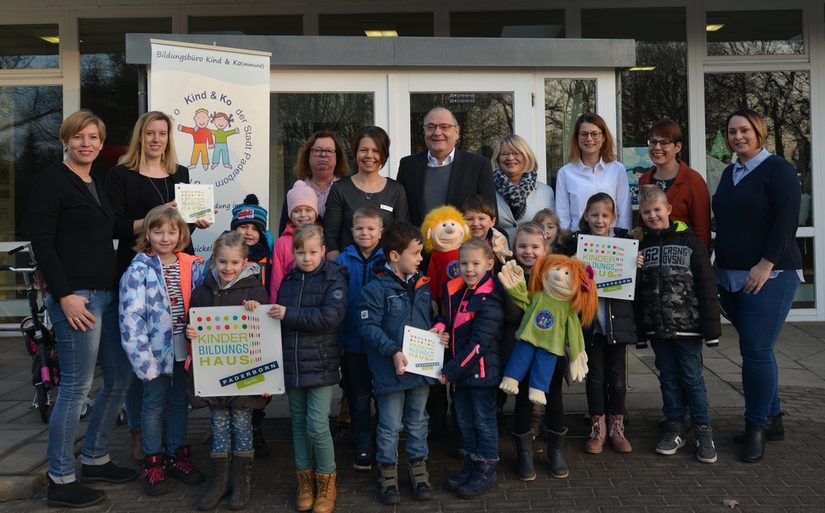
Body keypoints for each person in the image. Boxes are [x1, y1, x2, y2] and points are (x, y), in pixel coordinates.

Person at [30, 110, 137, 508]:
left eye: (93, 137)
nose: (86, 143)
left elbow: (114, 228)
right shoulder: (51, 180)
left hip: (107, 295)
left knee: (119, 377)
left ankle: (95, 457)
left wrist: (170, 219)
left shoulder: (95, 182)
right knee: (75, 387)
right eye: (79, 137)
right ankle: (60, 478)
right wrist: (64, 295)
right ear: (66, 140)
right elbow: (42, 241)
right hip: (77, 298)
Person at [106, 111, 210, 460]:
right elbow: (115, 226)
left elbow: (179, 230)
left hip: (177, 269)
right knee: (144, 361)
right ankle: (140, 431)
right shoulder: (121, 175)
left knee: (177, 351)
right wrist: (159, 212)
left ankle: (173, 439)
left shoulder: (181, 174)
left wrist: (196, 221)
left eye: (162, 134)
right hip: (142, 268)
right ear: (140, 136)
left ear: (168, 138)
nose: (156, 139)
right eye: (149, 133)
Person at [713, 109, 802, 463]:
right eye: (732, 132)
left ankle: (755, 429)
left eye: (744, 130)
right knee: (757, 349)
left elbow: (786, 222)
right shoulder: (730, 172)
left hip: (770, 276)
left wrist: (766, 264)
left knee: (755, 350)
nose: (738, 137)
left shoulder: (777, 169)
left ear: (758, 132)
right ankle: (773, 418)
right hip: (730, 277)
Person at [119, 205, 206, 495]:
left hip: (185, 350)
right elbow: (131, 319)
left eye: (172, 231)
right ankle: (153, 460)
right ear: (148, 233)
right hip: (153, 354)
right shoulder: (138, 269)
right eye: (158, 231)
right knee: (154, 404)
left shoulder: (193, 265)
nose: (165, 237)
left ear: (182, 234)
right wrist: (144, 361)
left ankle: (177, 454)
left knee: (179, 402)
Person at [359, 221, 448, 505]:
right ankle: (387, 476)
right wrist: (394, 351)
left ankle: (418, 471)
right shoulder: (375, 289)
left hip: (420, 370)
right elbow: (368, 328)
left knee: (419, 421)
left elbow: (429, 319)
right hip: (390, 371)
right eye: (416, 253)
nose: (421, 259)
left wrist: (438, 333)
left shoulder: (422, 285)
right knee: (389, 425)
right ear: (395, 256)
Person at [635, 185, 721, 463]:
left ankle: (703, 430)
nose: (652, 216)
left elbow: (707, 286)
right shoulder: (642, 247)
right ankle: (675, 426)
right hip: (658, 328)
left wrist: (712, 331)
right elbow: (637, 294)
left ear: (668, 210)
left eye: (657, 210)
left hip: (688, 327)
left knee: (692, 379)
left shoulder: (690, 242)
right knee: (668, 379)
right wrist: (640, 331)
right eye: (646, 212)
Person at [185, 232, 270, 510]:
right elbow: (193, 325)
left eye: (235, 262)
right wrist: (190, 331)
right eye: (222, 262)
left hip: (244, 377)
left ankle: (241, 481)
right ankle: (219, 481)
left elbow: (265, 333)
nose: (228, 268)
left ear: (245, 262)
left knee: (242, 424)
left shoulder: (254, 290)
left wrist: (256, 310)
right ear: (214, 259)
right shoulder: (202, 290)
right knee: (219, 425)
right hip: (214, 376)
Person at [268, 224, 347, 513]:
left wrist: (289, 314)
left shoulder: (334, 278)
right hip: (293, 364)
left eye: (313, 252)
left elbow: (329, 318)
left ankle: (327, 481)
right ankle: (304, 481)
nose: (307, 257)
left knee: (317, 425)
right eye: (300, 252)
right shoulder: (288, 280)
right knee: (298, 425)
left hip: (321, 363)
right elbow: (273, 319)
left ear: (324, 251)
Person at [565, 192, 639, 454]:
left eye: (605, 215)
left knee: (617, 378)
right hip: (590, 324)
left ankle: (617, 425)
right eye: (594, 215)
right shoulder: (576, 245)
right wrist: (570, 266)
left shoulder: (624, 242)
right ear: (585, 216)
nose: (599, 220)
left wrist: (635, 265)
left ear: (614, 217)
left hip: (617, 324)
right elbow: (565, 284)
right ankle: (598, 426)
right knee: (595, 377)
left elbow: (634, 287)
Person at [500, 222, 570, 480]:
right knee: (522, 402)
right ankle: (524, 453)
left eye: (534, 247)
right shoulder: (508, 272)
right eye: (522, 246)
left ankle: (555, 451)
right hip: (520, 350)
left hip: (551, 351)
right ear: (514, 247)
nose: (528, 251)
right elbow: (508, 315)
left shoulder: (556, 273)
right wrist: (515, 291)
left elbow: (571, 307)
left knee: (554, 400)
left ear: (546, 247)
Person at [440, 239, 504, 498]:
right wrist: (441, 328)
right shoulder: (459, 291)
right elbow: (449, 321)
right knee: (465, 422)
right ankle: (471, 464)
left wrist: (450, 371)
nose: (469, 269)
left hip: (481, 374)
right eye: (464, 263)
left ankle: (487, 468)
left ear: (489, 263)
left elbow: (479, 344)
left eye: (476, 263)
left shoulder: (490, 297)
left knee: (484, 422)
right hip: (463, 376)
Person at [334, 206, 385, 472]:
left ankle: (385, 441)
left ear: (380, 232)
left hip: (381, 344)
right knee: (358, 394)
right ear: (352, 231)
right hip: (352, 342)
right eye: (359, 228)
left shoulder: (388, 260)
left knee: (384, 393)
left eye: (371, 228)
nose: (365, 233)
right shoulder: (341, 262)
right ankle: (363, 441)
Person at [228, 194, 275, 457]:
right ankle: (233, 431)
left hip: (261, 328)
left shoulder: (268, 258)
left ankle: (256, 429)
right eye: (242, 227)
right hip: (231, 330)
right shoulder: (225, 258)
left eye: (253, 229)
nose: (247, 233)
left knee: (259, 383)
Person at [397, 107, 497, 227]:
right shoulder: (408, 166)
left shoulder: (478, 166)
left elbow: (490, 214)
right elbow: (401, 215)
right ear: (424, 131)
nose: (437, 132)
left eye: (444, 127)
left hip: (464, 244)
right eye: (431, 127)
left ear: (457, 132)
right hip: (420, 244)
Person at [324, 126, 409, 260]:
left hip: (384, 272)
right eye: (364, 150)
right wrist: (338, 271)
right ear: (355, 152)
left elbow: (401, 237)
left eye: (376, 151)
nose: (369, 155)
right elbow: (330, 236)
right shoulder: (340, 189)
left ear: (383, 154)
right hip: (347, 271)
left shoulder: (396, 190)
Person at [638, 119, 712, 251]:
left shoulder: (693, 180)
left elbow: (702, 230)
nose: (657, 148)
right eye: (653, 142)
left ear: (678, 147)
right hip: (651, 258)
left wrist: (701, 264)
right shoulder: (644, 180)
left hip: (683, 262)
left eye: (664, 143)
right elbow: (641, 225)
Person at [555, 113, 632, 232]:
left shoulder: (617, 169)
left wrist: (624, 239)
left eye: (595, 134)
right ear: (577, 138)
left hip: (612, 242)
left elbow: (624, 210)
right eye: (584, 134)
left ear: (604, 137)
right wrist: (565, 243)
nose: (589, 139)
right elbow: (562, 215)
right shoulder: (565, 173)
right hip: (577, 243)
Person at [277, 130, 351, 234]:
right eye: (317, 150)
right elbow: (284, 231)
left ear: (337, 157)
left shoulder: (347, 189)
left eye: (329, 151)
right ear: (308, 156)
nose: (323, 155)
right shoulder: (295, 191)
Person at [492, 134, 555, 243]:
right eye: (505, 154)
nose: (510, 158)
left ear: (527, 156)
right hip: (498, 256)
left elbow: (551, 229)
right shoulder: (488, 189)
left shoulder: (546, 192)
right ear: (498, 159)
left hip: (533, 256)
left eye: (516, 153)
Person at [270, 181, 319, 296]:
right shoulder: (282, 243)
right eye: (297, 211)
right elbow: (276, 279)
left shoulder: (321, 238)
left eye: (308, 210)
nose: (303, 215)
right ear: (290, 214)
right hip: (290, 300)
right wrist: (275, 304)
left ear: (316, 213)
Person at [462, 195, 511, 267]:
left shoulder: (499, 241)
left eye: (481, 218)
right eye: (470, 219)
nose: (475, 223)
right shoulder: (458, 242)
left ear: (492, 221)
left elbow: (505, 265)